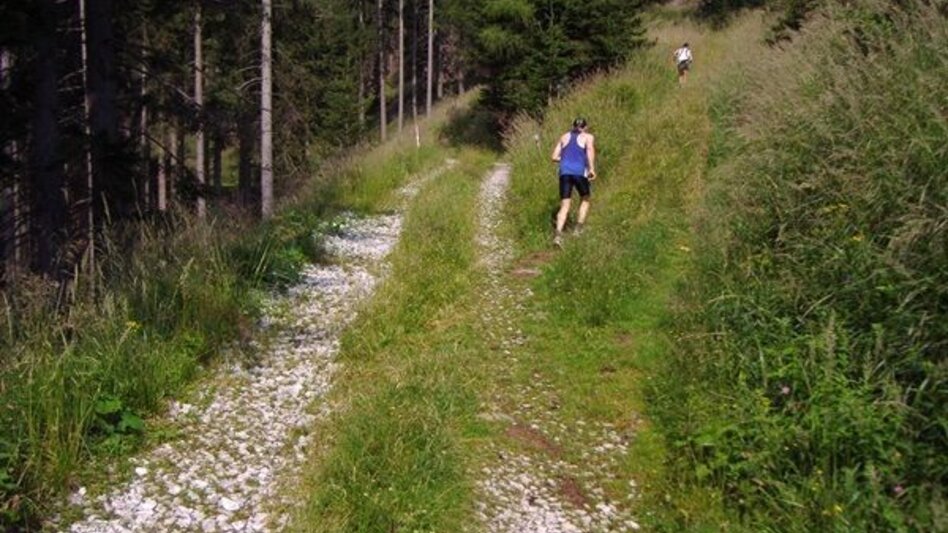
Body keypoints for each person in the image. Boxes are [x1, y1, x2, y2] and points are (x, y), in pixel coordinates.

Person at [551, 117, 597, 247]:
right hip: (579, 171)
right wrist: (592, 169)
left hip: (564, 172)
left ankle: (558, 236)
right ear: (585, 127)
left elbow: (554, 157)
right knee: (585, 198)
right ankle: (578, 229)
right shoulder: (588, 137)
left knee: (565, 205)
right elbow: (589, 151)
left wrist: (566, 159)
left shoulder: (564, 136)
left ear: (573, 126)